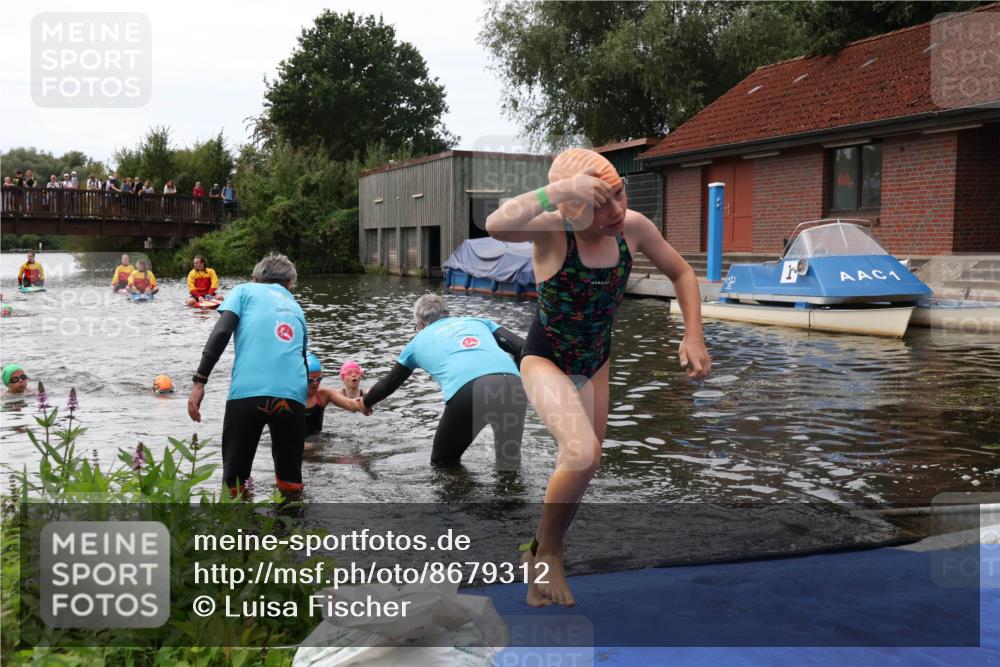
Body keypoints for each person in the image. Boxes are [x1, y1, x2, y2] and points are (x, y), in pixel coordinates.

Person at [485, 147, 711, 607]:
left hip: (597, 360)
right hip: (546, 357)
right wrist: (560, 190)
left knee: (586, 466)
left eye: (619, 195)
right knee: (581, 451)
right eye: (599, 202)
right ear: (570, 207)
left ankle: (538, 550)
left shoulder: (634, 228)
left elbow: (683, 273)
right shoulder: (552, 231)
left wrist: (694, 335)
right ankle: (548, 555)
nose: (616, 211)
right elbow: (495, 225)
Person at [186, 254, 310, 496]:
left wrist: (200, 381)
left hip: (247, 394)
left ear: (254, 278)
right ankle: (292, 531)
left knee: (234, 484)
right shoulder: (296, 306)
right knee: (290, 485)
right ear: (290, 284)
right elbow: (302, 359)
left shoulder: (243, 291)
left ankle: (238, 530)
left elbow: (221, 332)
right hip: (293, 396)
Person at [362, 294, 527, 469]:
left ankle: (461, 494)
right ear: (447, 313)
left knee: (442, 463)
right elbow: (522, 347)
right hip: (514, 385)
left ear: (420, 324)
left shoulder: (416, 343)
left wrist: (365, 402)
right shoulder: (478, 321)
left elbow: (388, 384)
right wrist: (516, 374)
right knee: (508, 462)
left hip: (471, 390)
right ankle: (513, 496)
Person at [303, 353, 365, 438]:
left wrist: (365, 403)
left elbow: (352, 404)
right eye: (310, 380)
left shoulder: (323, 394)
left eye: (319, 379)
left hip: (317, 443)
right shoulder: (289, 398)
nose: (315, 383)